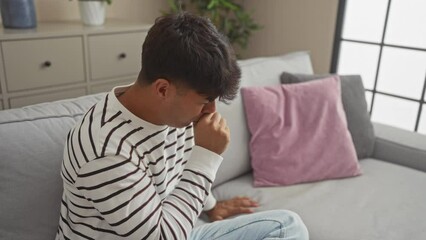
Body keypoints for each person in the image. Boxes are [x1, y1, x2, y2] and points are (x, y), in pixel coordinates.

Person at [55, 12, 309, 240]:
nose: (212, 112)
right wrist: (207, 157)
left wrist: (210, 206)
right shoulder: (106, 150)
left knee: (287, 226)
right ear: (163, 89)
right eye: (205, 101)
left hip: (176, 230)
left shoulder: (176, 115)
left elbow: (177, 174)